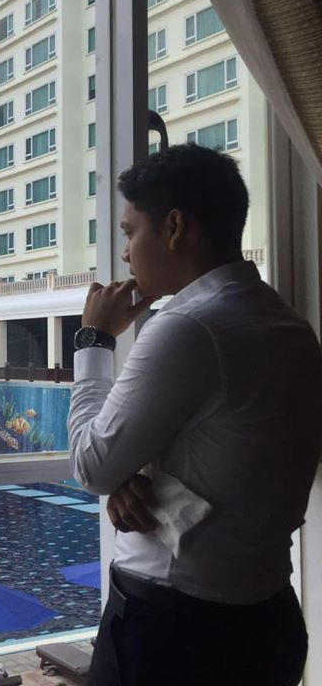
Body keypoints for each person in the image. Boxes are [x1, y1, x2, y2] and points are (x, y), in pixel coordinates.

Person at [67, 144, 322, 686]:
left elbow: (91, 465)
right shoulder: (290, 326)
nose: (126, 254)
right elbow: (231, 455)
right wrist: (133, 472)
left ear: (175, 227)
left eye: (130, 232)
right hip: (268, 620)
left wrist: (94, 340)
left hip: (174, 634)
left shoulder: (189, 327)